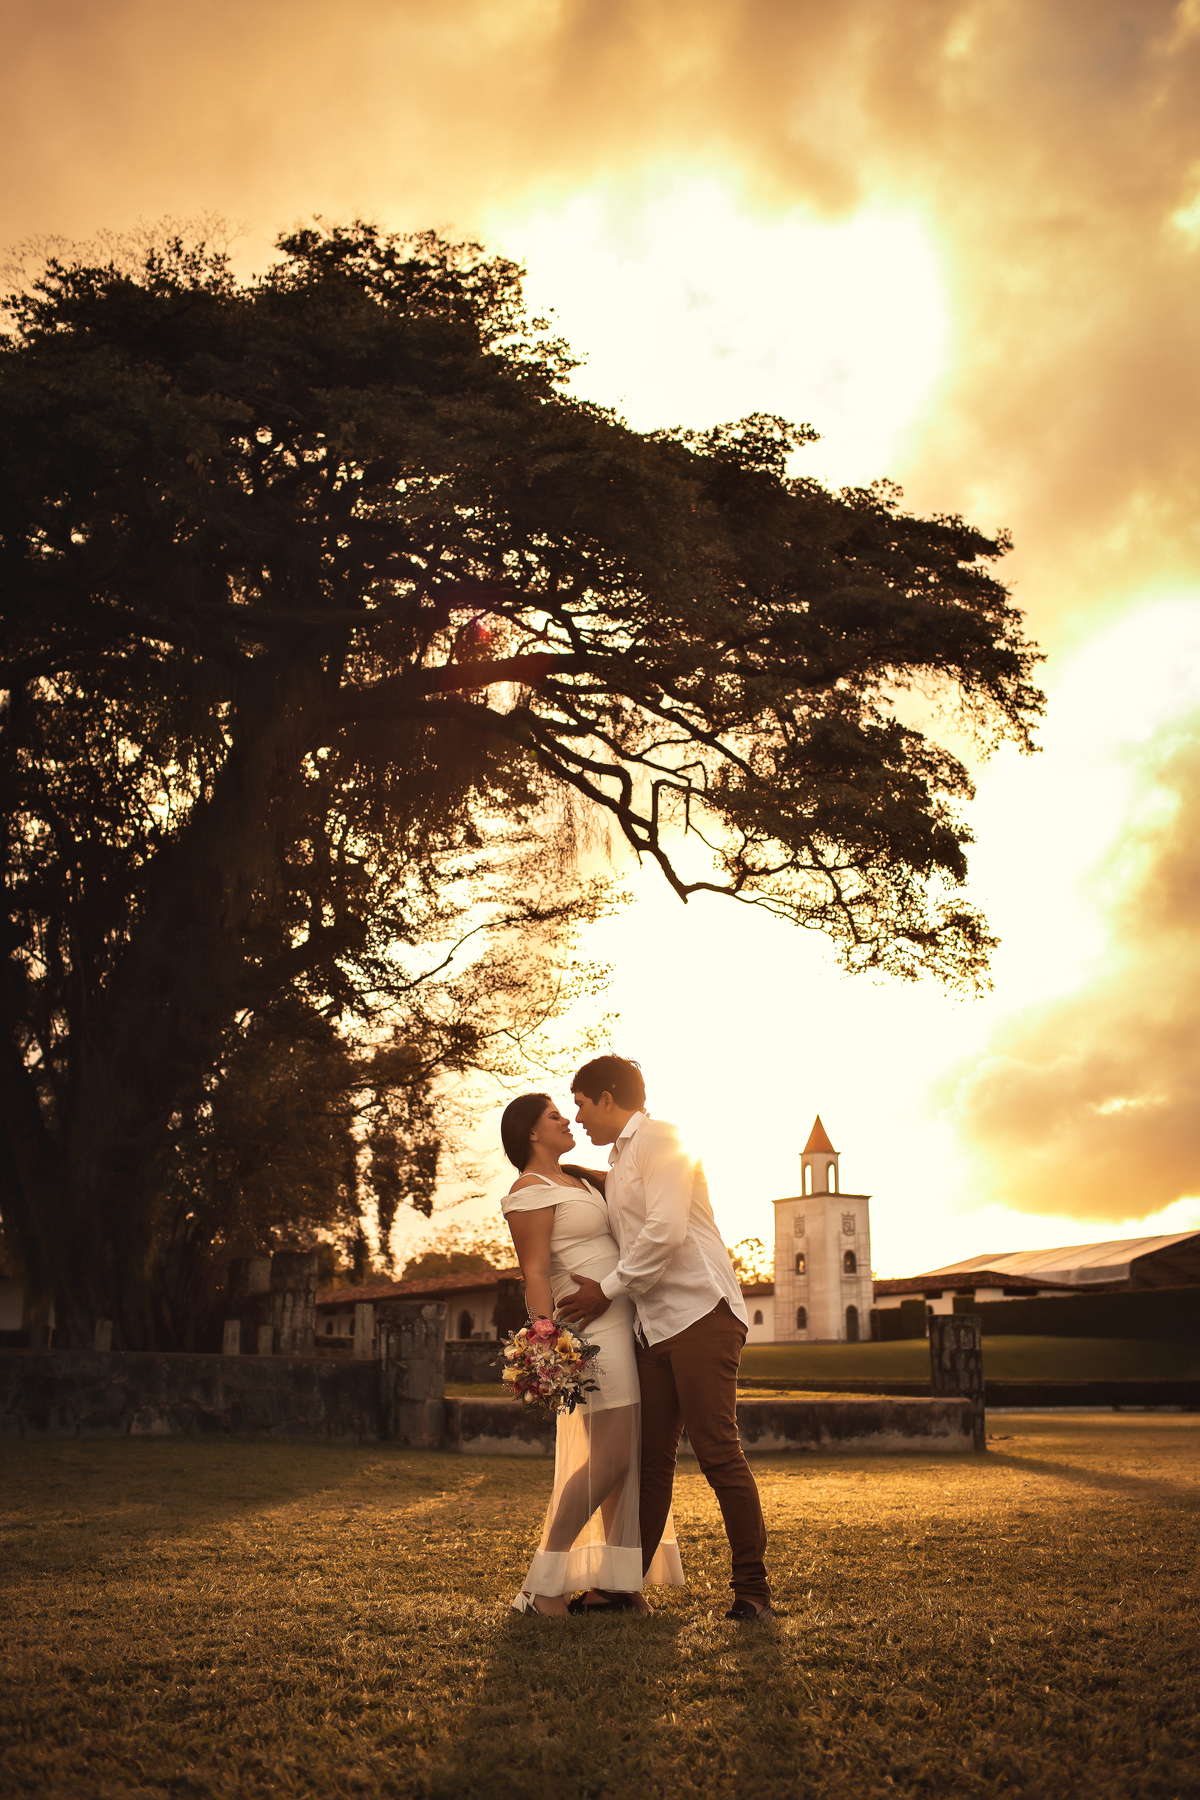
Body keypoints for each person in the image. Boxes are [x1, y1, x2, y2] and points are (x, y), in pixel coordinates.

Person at [558, 1055, 775, 1621]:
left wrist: (605, 1289)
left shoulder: (662, 1138)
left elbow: (665, 1228)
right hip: (651, 1327)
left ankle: (753, 1591)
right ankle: (624, 1590)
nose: (577, 1117)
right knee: (646, 1460)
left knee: (717, 1451)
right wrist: (587, 1179)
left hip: (701, 1312)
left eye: (580, 1103)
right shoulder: (623, 1155)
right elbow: (631, 1203)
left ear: (607, 1097)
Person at [499, 1091, 684, 1619]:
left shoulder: (579, 1180)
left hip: (624, 1322)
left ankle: (618, 1585)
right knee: (614, 1457)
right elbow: (534, 1270)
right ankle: (542, 1586)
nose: (569, 1120)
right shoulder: (528, 1190)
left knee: (621, 1462)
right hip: (588, 1330)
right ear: (531, 1132)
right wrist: (544, 1341)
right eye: (557, 1116)